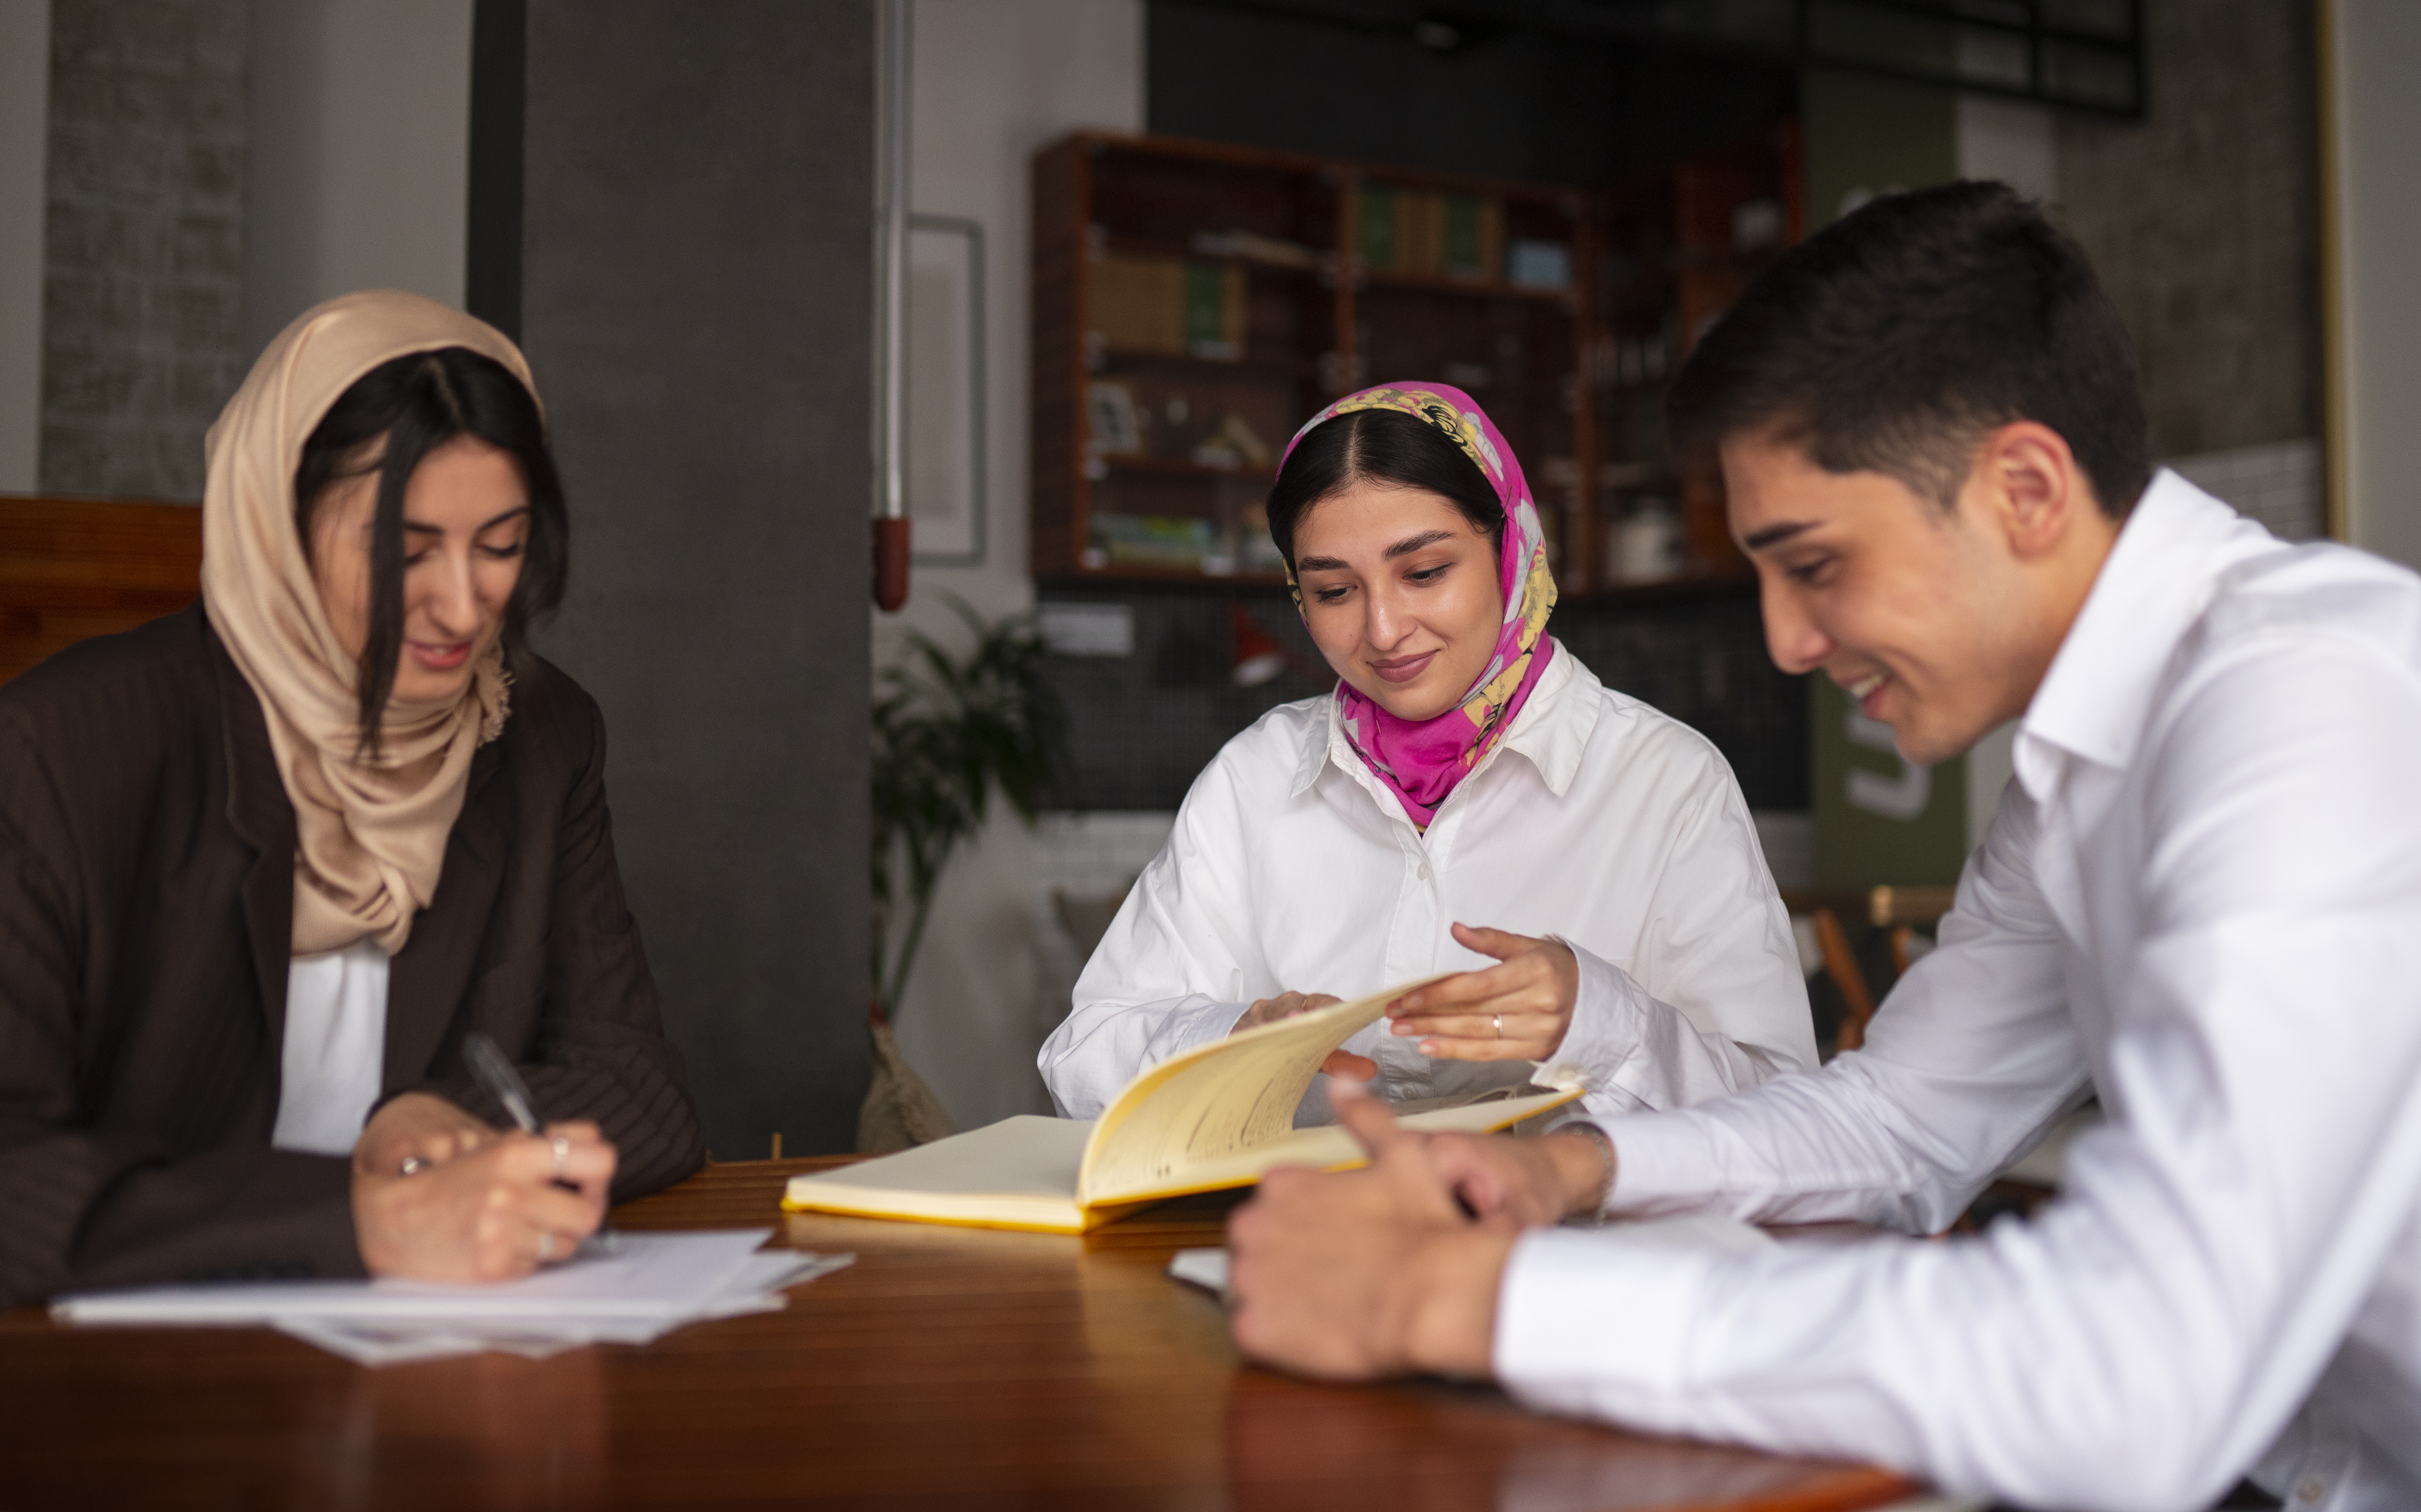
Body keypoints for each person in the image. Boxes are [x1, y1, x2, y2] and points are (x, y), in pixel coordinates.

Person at [1222, 181, 2421, 1511]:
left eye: (1814, 564)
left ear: (2022, 488)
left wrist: (1485, 1305)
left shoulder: (2304, 704)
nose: (1787, 642)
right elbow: (1901, 1116)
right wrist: (1573, 1168)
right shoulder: (2082, 762)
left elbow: (2131, 1371)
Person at [0, 291, 705, 1308]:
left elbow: (642, 1087)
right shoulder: (59, 755)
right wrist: (361, 1221)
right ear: (277, 525)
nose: (462, 608)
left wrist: (433, 1119)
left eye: (500, 545)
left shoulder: (543, 738)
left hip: (429, 1365)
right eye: (403, 552)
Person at [1039, 383, 1816, 1125]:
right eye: (1335, 592)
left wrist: (1602, 1020)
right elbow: (1082, 1053)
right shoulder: (1257, 779)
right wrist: (1234, 1039)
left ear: (1509, 547)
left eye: (1424, 572)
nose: (1382, 629)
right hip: (1308, 1246)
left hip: (1568, 1256)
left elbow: (1785, 1116)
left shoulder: (1663, 781)